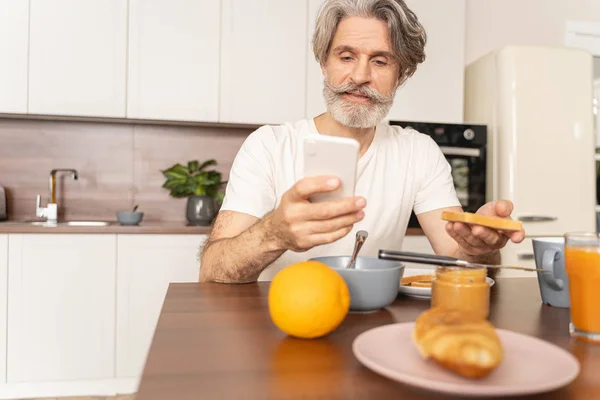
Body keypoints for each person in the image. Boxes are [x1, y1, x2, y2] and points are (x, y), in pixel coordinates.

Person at [199, 0, 525, 284]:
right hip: (280, 324)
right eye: (346, 56)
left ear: (401, 75)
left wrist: (479, 249)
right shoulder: (268, 146)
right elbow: (212, 271)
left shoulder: (419, 152)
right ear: (324, 62)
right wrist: (274, 233)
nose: (359, 77)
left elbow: (463, 263)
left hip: (372, 326)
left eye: (380, 61)